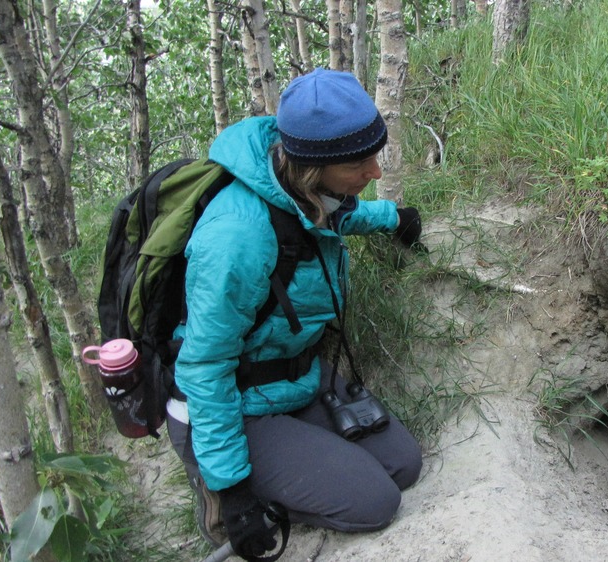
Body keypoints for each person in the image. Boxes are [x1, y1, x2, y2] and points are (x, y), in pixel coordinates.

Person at [165, 68, 424, 559]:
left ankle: (300, 457)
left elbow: (334, 216)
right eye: (361, 163)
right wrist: (233, 487)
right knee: (376, 502)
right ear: (313, 168)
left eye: (375, 154)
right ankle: (213, 482)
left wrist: (396, 218)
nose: (376, 172)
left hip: (294, 377)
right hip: (231, 404)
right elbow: (204, 365)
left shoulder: (302, 188)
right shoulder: (237, 237)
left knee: (404, 465)